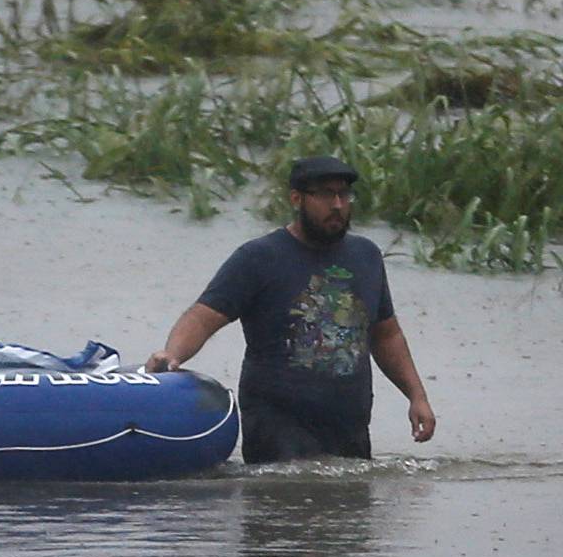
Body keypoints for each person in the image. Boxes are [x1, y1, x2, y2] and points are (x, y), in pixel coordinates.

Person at [147, 154, 435, 463]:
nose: (337, 205)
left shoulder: (366, 256)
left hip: (348, 424)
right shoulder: (259, 258)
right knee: (286, 502)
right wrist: (173, 354)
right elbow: (203, 317)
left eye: (344, 194)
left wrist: (417, 396)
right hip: (278, 425)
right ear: (296, 199)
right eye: (325, 194)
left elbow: (386, 335)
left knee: (350, 506)